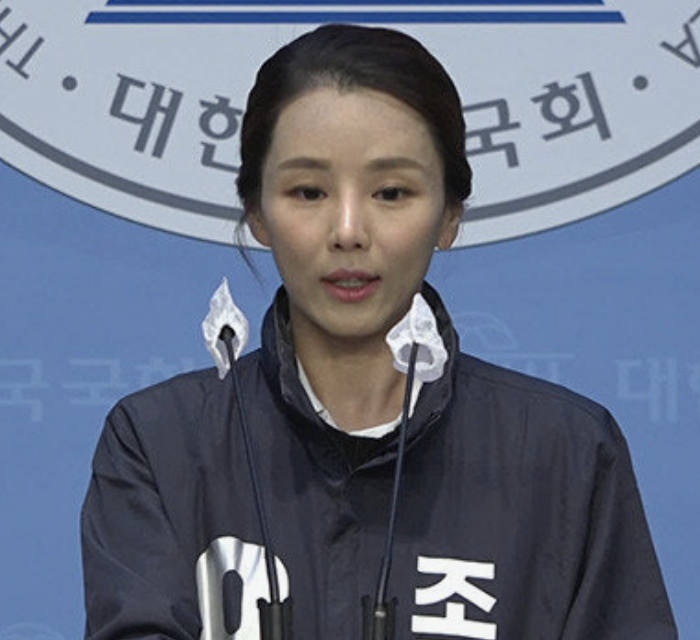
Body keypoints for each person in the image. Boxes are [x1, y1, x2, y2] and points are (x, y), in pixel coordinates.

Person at [81, 24, 677, 640]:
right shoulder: (161, 444)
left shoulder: (564, 452)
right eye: (308, 191)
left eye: (391, 192)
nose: (348, 231)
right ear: (256, 210)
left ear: (449, 214)